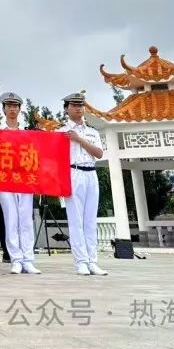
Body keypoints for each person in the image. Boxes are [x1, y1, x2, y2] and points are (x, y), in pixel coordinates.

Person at [59, 91, 108, 276]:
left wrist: (79, 139)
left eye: (81, 105)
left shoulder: (92, 131)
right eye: (74, 105)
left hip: (91, 173)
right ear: (66, 109)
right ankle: (81, 261)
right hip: (73, 173)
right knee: (76, 220)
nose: (78, 108)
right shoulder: (60, 132)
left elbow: (99, 153)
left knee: (90, 220)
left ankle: (92, 261)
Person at [0, 92, 41, 274]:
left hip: (24, 179)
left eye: (15, 106)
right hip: (5, 178)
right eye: (9, 106)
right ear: (4, 109)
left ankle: (28, 259)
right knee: (10, 219)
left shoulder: (27, 132)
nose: (12, 109)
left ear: (19, 109)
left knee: (26, 220)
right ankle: (16, 259)